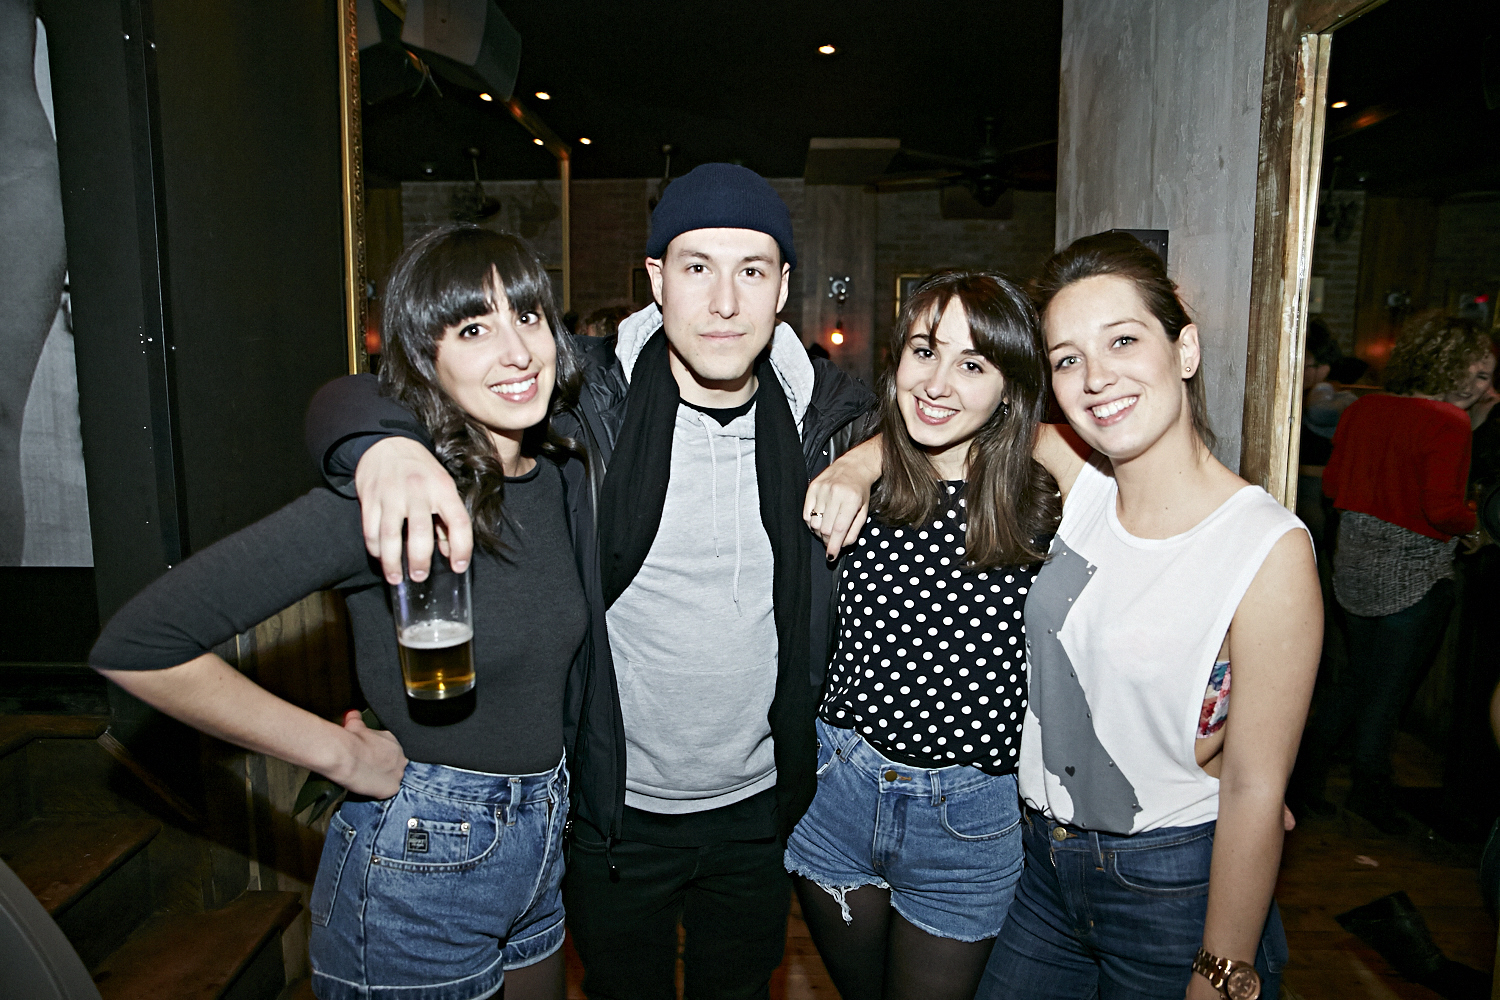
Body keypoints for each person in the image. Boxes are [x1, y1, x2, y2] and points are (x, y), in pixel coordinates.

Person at [302, 163, 877, 1000]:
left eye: (751, 270)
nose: (724, 302)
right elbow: (369, 389)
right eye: (695, 268)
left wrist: (863, 462)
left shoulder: (827, 416)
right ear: (654, 281)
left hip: (761, 808)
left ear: (783, 287)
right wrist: (377, 444)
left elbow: (947, 422)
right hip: (612, 813)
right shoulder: (582, 399)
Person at [809, 233, 1320, 1000]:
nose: (1096, 377)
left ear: (1186, 349)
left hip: (1158, 872)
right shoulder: (1086, 496)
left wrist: (1225, 968)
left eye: (1123, 340)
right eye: (1069, 358)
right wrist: (856, 461)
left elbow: (1253, 782)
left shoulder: (1258, 544)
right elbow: (958, 425)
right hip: (1038, 861)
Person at [89, 226, 589, 1000]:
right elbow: (140, 644)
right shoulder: (394, 497)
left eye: (526, 317)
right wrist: (337, 755)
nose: (516, 352)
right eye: (473, 328)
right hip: (421, 860)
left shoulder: (560, 475)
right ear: (427, 356)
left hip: (544, 843)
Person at [785, 271, 1058, 1000]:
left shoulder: (1049, 502)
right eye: (924, 351)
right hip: (837, 793)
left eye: (973, 364)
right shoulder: (850, 490)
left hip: (969, 820)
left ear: (1011, 387)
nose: (937, 383)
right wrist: (858, 460)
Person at [1290, 312, 1494, 834]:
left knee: (1355, 681)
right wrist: (1478, 526)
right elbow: (1443, 508)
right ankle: (1370, 796)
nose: (1484, 387)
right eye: (1475, 374)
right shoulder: (1448, 423)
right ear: (1443, 366)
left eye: (1487, 376)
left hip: (1355, 570)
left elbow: (1334, 486)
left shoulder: (1364, 409)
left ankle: (1304, 783)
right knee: (1387, 694)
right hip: (1415, 577)